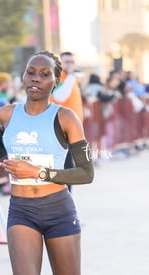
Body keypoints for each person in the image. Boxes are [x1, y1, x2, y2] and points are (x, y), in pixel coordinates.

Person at [0, 50, 94, 275]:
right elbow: (3, 145)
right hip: (21, 210)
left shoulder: (66, 117)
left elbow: (86, 173)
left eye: (44, 74)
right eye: (31, 72)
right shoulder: (6, 114)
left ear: (55, 82)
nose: (35, 78)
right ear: (23, 77)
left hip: (58, 209)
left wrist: (38, 172)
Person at [49, 51, 84, 192]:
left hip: (73, 129)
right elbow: (60, 96)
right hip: (60, 127)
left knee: (70, 165)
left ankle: (67, 196)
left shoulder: (72, 78)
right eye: (66, 62)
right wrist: (71, 76)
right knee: (63, 164)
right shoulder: (58, 78)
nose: (70, 65)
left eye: (72, 62)